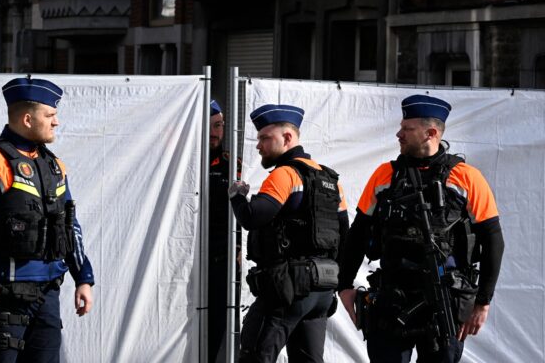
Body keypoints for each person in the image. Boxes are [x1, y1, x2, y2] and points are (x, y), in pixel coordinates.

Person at [338, 94, 505, 363]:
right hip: (392, 301)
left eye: (407, 129)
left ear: (431, 133)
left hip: (444, 304)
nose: (399, 134)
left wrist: (483, 302)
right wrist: (344, 286)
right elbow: (358, 233)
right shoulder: (385, 175)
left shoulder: (467, 177)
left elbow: (494, 240)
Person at [0, 77, 94, 363]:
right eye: (50, 115)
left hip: (48, 295)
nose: (56, 122)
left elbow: (69, 226)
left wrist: (83, 278)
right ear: (28, 119)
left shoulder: (54, 165)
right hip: (2, 297)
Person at [228, 104, 348, 363]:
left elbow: (252, 217)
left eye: (264, 138)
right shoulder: (330, 179)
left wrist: (237, 195)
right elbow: (344, 234)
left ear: (288, 138)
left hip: (288, 289)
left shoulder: (285, 174)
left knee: (255, 355)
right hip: (322, 291)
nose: (259, 145)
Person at [208, 99, 242, 362]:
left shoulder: (232, 165)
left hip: (221, 258)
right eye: (208, 126)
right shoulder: (177, 160)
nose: (215, 133)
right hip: (183, 257)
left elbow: (243, 210)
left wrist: (240, 246)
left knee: (219, 325)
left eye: (219, 125)